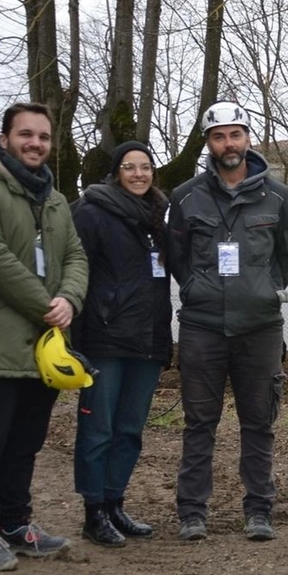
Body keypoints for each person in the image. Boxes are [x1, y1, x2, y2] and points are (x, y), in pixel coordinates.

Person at [0, 102, 86, 570]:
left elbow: (75, 257)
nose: (35, 144)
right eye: (26, 134)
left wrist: (69, 297)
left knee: (26, 441)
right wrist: (48, 304)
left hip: (42, 346)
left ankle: (15, 521)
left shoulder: (54, 200)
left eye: (44, 137)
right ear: (5, 138)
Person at [168, 101, 288, 543]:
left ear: (248, 138)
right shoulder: (185, 196)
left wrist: (262, 290)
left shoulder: (278, 196)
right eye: (219, 136)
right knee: (199, 422)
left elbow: (286, 256)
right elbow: (178, 258)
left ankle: (259, 509)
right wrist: (197, 289)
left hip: (260, 327)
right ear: (208, 143)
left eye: (236, 134)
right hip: (202, 326)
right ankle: (191, 512)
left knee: (259, 422)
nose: (229, 143)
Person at [70, 140, 171, 547]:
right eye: (129, 167)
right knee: (98, 429)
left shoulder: (158, 219)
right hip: (104, 340)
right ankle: (92, 512)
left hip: (147, 342)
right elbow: (74, 269)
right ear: (116, 173)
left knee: (130, 430)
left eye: (145, 167)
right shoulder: (91, 214)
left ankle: (115, 503)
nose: (138, 174)